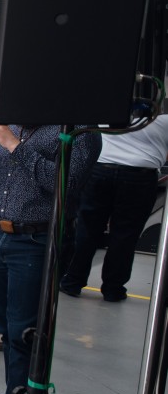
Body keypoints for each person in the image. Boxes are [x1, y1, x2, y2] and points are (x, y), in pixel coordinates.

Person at [0, 121, 100, 394]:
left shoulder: (78, 131)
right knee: (6, 325)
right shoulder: (12, 124)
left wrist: (15, 145)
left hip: (36, 240)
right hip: (0, 235)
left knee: (25, 332)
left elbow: (65, 184)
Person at [60, 115, 168, 302]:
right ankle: (113, 289)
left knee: (86, 230)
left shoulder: (110, 107)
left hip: (101, 168)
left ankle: (72, 281)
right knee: (126, 235)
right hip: (140, 174)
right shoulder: (161, 115)